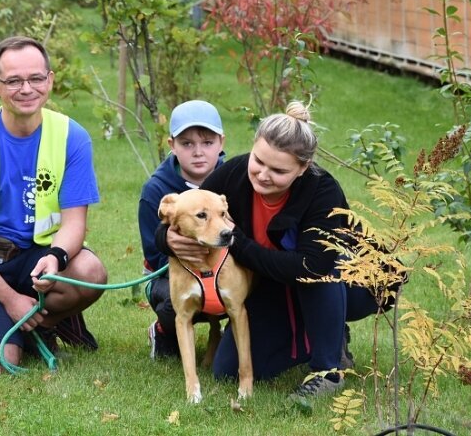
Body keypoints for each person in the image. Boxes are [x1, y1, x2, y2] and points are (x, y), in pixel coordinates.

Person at [159, 101, 380, 398]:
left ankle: (328, 369)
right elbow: (190, 210)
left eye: (277, 170)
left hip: (354, 287)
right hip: (278, 284)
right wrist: (167, 239)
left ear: (302, 168)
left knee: (318, 271)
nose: (263, 174)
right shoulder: (234, 174)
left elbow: (311, 267)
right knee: (226, 370)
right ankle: (314, 334)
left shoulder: (323, 192)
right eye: (258, 161)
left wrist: (237, 240)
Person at [0, 36, 108, 373]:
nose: (27, 89)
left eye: (36, 78)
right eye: (14, 81)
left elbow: (73, 223)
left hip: (33, 257)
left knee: (90, 271)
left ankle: (38, 323)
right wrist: (9, 299)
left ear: (50, 80)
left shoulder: (72, 137)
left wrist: (55, 258)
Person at [138, 100, 225, 359]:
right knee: (170, 303)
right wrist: (170, 242)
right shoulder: (155, 190)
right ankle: (165, 330)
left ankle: (225, 334)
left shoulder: (234, 179)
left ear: (222, 142)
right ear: (172, 145)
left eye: (207, 143)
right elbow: (154, 257)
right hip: (169, 275)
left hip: (222, 269)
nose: (198, 152)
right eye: (187, 144)